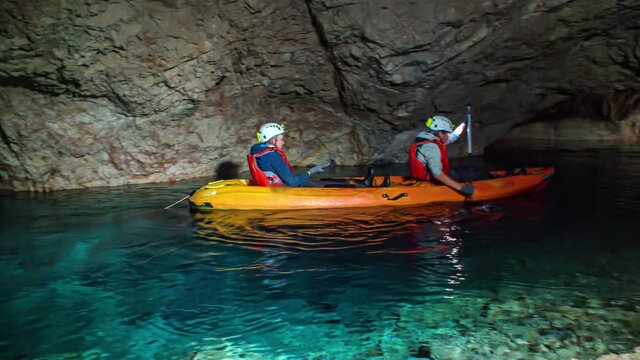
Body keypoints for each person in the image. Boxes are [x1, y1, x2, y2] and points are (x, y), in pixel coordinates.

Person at [408, 115, 475, 196]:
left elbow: (453, 136)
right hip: (431, 182)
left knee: (460, 171)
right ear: (440, 133)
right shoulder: (432, 147)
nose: (449, 136)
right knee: (464, 171)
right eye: (448, 133)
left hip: (420, 179)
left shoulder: (424, 138)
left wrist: (464, 123)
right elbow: (437, 174)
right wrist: (460, 188)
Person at [248, 122, 332, 187]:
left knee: (310, 181)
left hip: (271, 186)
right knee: (310, 182)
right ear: (273, 140)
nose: (283, 142)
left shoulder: (257, 150)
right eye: (281, 139)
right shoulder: (272, 156)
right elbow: (293, 182)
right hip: (280, 190)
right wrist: (311, 171)